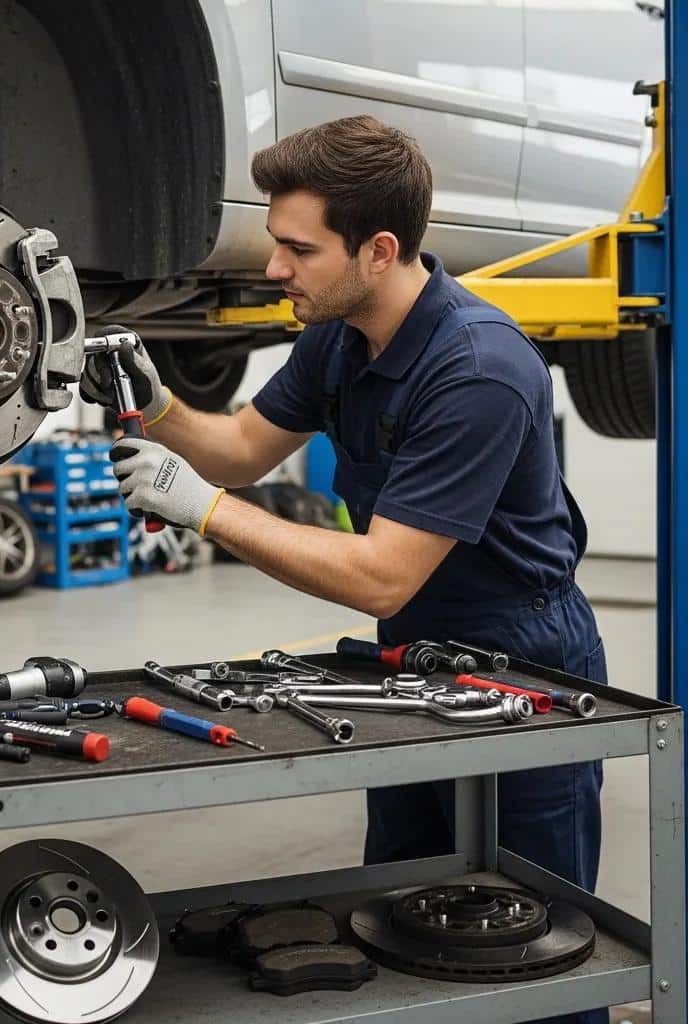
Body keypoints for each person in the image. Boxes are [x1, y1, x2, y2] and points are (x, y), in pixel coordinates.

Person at [80, 115, 606, 1024]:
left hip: (525, 668)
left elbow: (380, 576)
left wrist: (200, 511)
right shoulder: (339, 333)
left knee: (536, 951)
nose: (275, 267)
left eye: (297, 248)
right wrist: (158, 403)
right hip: (405, 668)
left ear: (380, 249)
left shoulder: (477, 368)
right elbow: (242, 447)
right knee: (398, 923)